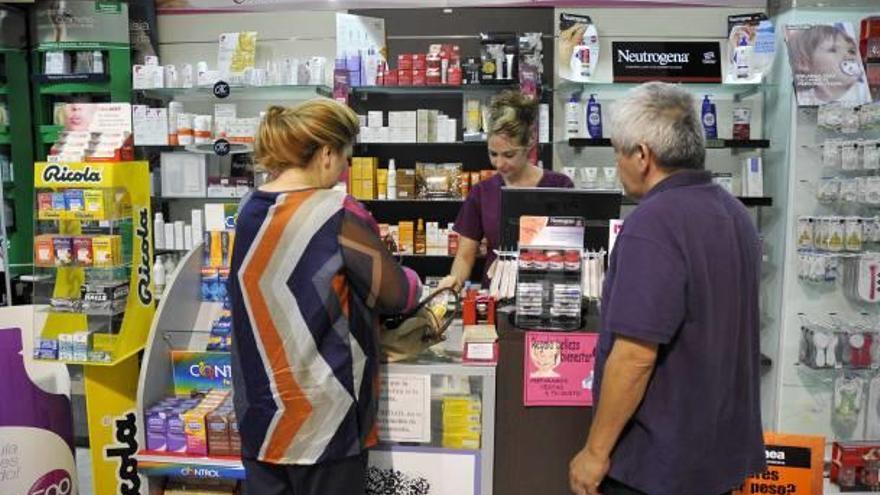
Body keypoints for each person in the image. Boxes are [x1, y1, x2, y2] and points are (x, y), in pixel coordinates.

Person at [568, 82, 765, 495]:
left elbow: (635, 356)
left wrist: (595, 451)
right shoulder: (734, 213)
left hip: (656, 466)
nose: (617, 163)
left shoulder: (654, 223)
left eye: (618, 151)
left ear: (642, 155)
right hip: (715, 458)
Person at [227, 100, 422, 495]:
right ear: (327, 152)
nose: (346, 169)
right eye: (346, 156)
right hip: (325, 424)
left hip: (261, 419)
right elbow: (397, 295)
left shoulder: (249, 208)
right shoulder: (336, 211)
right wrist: (415, 279)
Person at [439, 90, 574, 290]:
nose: (499, 163)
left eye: (509, 154)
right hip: (497, 295)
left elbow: (573, 250)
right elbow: (465, 256)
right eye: (493, 154)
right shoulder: (482, 193)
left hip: (550, 293)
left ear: (530, 141)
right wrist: (454, 282)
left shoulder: (560, 186)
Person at [786, 23, 870, 106]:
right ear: (804, 63)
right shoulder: (803, 99)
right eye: (833, 50)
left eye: (851, 51)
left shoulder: (864, 92)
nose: (848, 56)